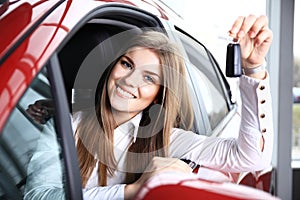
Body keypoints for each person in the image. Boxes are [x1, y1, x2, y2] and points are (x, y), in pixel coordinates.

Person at [25, 15, 273, 200]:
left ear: (157, 96)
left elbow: (251, 157)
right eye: (127, 64)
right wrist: (131, 191)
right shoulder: (67, 124)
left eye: (149, 78)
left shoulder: (166, 141)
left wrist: (253, 70)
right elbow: (38, 196)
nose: (128, 81)